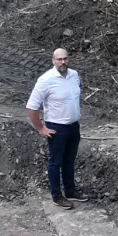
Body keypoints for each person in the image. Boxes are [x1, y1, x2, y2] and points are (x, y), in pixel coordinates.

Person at [26, 48, 88, 209]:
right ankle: (56, 195)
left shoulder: (74, 75)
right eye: (59, 59)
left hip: (74, 126)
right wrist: (41, 128)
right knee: (55, 162)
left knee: (69, 160)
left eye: (65, 58)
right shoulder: (46, 80)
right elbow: (32, 107)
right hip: (56, 128)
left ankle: (70, 190)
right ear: (53, 60)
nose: (63, 62)